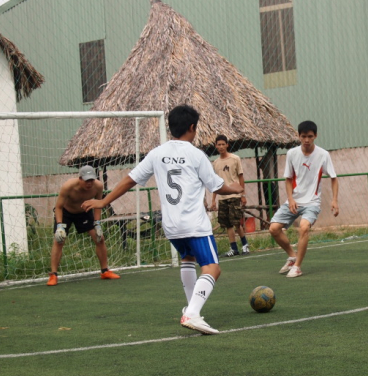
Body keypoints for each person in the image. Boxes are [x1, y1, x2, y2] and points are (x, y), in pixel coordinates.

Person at [82, 105, 243, 334]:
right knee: (212, 268)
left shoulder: (157, 153)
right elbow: (217, 186)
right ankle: (193, 313)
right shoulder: (196, 155)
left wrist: (103, 201)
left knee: (187, 259)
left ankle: (191, 307)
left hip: (171, 225)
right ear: (192, 127)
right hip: (194, 223)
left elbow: (130, 180)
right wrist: (235, 187)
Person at [269, 120, 339, 278]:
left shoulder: (323, 155)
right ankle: (292, 256)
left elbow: (334, 178)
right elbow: (288, 179)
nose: (306, 140)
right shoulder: (292, 154)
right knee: (273, 228)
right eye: (303, 136)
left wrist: (334, 200)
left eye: (310, 136)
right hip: (294, 201)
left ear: (315, 136)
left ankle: (298, 267)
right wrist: (291, 199)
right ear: (298, 136)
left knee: (304, 227)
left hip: (312, 202)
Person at [48, 165, 120, 286]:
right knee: (59, 240)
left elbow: (98, 204)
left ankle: (104, 271)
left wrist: (97, 223)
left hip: (84, 212)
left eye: (91, 180)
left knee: (99, 238)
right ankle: (53, 275)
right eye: (87, 180)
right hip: (66, 213)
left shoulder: (98, 186)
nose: (89, 183)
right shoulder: (68, 186)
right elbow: (59, 207)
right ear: (80, 178)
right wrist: (60, 226)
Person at [209, 135, 249, 257]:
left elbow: (241, 177)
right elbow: (215, 183)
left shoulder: (235, 159)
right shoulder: (215, 163)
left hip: (235, 196)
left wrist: (242, 194)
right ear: (215, 146)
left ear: (227, 145)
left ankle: (245, 245)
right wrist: (213, 200)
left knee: (236, 222)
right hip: (222, 197)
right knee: (227, 224)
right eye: (218, 144)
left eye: (223, 144)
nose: (221, 147)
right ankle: (234, 248)